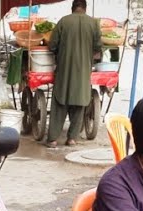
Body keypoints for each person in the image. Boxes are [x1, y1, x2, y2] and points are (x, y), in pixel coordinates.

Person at [46, 0, 101, 148]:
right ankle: (72, 139)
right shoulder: (94, 23)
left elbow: (52, 45)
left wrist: (61, 52)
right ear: (85, 8)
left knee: (59, 102)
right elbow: (97, 48)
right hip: (83, 71)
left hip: (64, 69)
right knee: (80, 104)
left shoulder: (63, 21)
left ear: (73, 8)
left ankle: (52, 139)